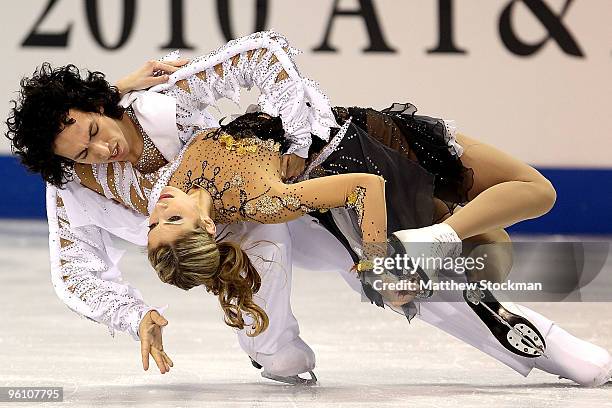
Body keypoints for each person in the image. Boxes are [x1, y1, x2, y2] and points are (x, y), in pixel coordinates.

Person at [6, 30, 611, 386]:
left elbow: (264, 54)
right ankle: (289, 352)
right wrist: (135, 316)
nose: (101, 152)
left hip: (291, 191)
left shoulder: (161, 107)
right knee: (275, 356)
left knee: (405, 283)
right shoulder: (73, 187)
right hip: (233, 234)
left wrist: (309, 134)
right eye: (82, 154)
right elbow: (75, 271)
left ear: (98, 107)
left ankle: (553, 346)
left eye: (92, 130)